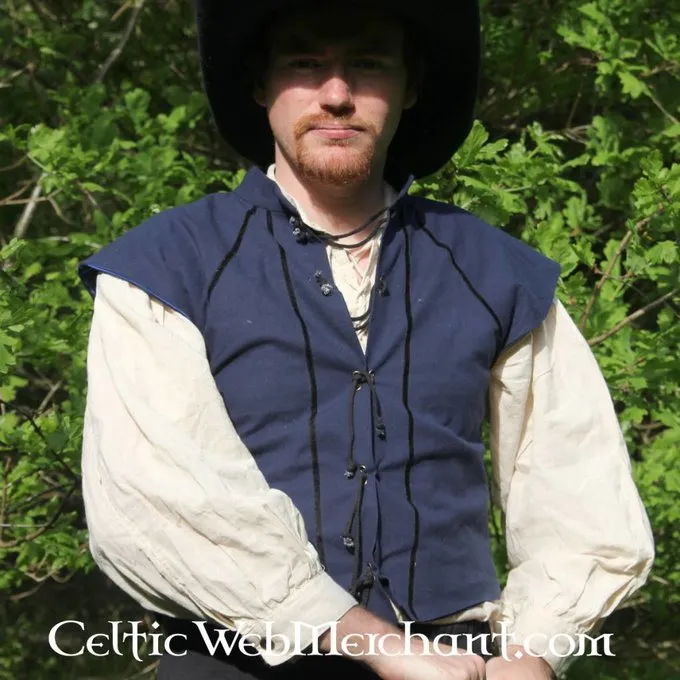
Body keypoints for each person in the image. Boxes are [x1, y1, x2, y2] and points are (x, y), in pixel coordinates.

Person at [77, 1, 655, 679]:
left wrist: (532, 654)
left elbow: (576, 487)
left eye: (369, 64)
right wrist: (369, 640)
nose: (336, 94)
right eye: (305, 63)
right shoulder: (164, 268)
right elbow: (156, 496)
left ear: (409, 87)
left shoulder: (498, 274)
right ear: (261, 84)